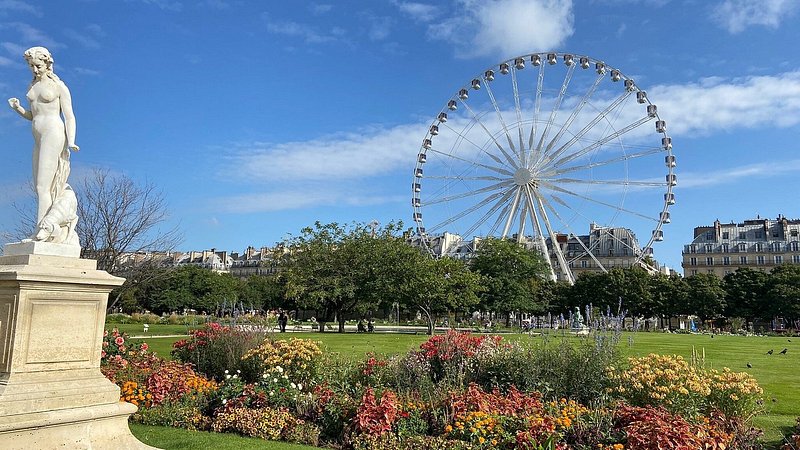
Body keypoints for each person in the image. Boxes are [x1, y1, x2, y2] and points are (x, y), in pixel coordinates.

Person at [8, 47, 80, 243]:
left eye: (38, 66)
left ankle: (42, 231)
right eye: (31, 66)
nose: (35, 70)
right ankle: (43, 229)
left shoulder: (59, 87)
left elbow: (69, 116)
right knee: (40, 186)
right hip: (38, 135)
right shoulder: (32, 86)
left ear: (48, 64)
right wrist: (18, 109)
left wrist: (71, 140)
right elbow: (34, 115)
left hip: (54, 133)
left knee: (42, 186)